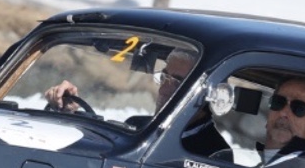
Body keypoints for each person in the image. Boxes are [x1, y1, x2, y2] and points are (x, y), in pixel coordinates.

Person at [45, 49, 231, 160]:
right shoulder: (138, 124)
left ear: (208, 93)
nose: (164, 89)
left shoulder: (215, 152)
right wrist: (69, 112)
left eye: (178, 82)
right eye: (164, 77)